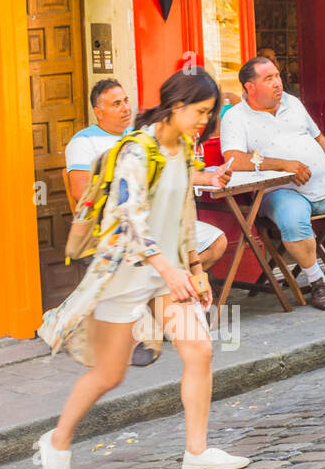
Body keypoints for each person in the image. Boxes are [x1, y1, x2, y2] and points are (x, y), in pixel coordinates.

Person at [36, 68, 251, 469]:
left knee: (200, 351)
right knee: (109, 375)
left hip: (166, 275)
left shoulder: (185, 148)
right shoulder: (137, 151)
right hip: (128, 277)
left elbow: (184, 214)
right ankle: (57, 440)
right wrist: (169, 270)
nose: (204, 121)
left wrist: (194, 269)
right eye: (200, 111)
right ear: (176, 105)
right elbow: (131, 218)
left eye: (210, 113)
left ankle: (197, 451)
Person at [65, 78, 230, 366]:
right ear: (98, 112)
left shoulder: (146, 134)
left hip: (162, 225)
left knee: (216, 241)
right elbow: (82, 194)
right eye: (116, 103)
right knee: (146, 256)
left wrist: (210, 177)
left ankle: (158, 304)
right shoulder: (84, 142)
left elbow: (179, 178)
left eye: (126, 100)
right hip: (122, 229)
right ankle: (143, 312)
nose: (125, 107)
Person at [220, 56, 325, 310]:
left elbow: (320, 139)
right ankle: (317, 282)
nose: (278, 83)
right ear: (250, 86)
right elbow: (233, 159)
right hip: (283, 192)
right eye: (269, 79)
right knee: (293, 221)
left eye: (277, 76)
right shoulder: (236, 117)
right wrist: (281, 164)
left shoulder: (294, 103)